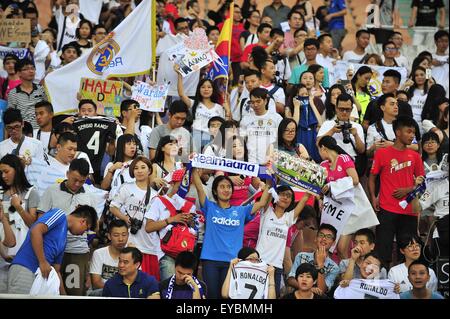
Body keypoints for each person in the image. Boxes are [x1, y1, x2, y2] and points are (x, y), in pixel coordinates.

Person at [191, 167, 271, 299]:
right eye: (222, 187)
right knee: (212, 296)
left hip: (233, 261)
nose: (226, 189)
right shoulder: (209, 207)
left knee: (228, 296)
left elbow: (262, 202)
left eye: (228, 186)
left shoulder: (241, 211)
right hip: (210, 260)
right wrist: (193, 168)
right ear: (215, 191)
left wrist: (269, 182)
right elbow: (199, 187)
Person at [369, 116, 426, 267]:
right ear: (398, 132)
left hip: (409, 211)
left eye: (414, 132)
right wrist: (374, 198)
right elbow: (372, 178)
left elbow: (423, 183)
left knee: (409, 253)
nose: (412, 135)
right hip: (386, 209)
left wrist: (408, 189)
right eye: (409, 132)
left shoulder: (415, 156)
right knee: (382, 251)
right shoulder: (382, 153)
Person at [7, 205, 97, 295]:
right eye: (86, 229)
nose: (82, 234)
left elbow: (56, 270)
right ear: (83, 221)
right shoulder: (59, 214)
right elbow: (35, 231)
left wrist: (64, 296)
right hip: (25, 267)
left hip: (39, 277)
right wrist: (42, 261)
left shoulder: (64, 239)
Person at [37, 158, 95, 296]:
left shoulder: (89, 196)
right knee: (51, 291)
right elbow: (40, 221)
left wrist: (87, 270)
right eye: (74, 179)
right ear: (67, 173)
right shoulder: (51, 191)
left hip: (77, 251)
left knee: (73, 293)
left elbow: (91, 230)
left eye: (81, 181)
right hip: (53, 249)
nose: (77, 184)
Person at [255, 184, 312, 297]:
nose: (285, 197)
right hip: (260, 263)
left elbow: (305, 197)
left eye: (289, 196)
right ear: (276, 195)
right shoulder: (267, 211)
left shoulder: (289, 217)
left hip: (276, 267)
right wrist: (272, 179)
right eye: (282, 194)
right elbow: (269, 189)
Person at [109, 156, 158, 278]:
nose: (139, 171)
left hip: (149, 243)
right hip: (130, 240)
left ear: (149, 170)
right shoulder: (126, 187)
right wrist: (125, 218)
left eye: (143, 167)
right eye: (136, 168)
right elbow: (113, 207)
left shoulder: (155, 194)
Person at [145, 168, 197, 281]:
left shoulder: (190, 205)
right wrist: (171, 219)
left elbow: (194, 231)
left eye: (187, 186)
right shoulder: (159, 201)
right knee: (169, 289)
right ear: (172, 183)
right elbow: (148, 227)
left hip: (185, 255)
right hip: (165, 254)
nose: (184, 190)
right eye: (180, 186)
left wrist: (191, 222)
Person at [175, 68, 229, 152]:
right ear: (199, 90)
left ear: (213, 89)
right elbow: (181, 94)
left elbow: (225, 124)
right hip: (197, 135)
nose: (206, 89)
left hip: (213, 137)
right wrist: (180, 75)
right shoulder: (194, 103)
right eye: (203, 87)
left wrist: (228, 110)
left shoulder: (219, 107)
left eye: (209, 87)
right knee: (195, 160)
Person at [0, 154, 39, 257]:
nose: (3, 176)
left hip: (24, 252)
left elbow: (33, 225)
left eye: (6, 172)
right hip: (3, 250)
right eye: (1, 172)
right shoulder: (1, 193)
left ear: (17, 170)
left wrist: (19, 207)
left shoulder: (31, 193)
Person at [288, 223, 340, 295]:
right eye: (321, 235)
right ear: (315, 238)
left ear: (333, 243)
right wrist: (309, 289)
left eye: (328, 237)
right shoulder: (301, 256)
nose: (324, 239)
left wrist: (321, 265)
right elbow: (290, 280)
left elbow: (322, 290)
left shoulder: (334, 268)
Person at [366, 94, 419, 158]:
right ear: (383, 107)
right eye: (392, 104)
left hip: (402, 163)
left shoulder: (405, 125)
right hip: (382, 163)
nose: (396, 107)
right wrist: (374, 147)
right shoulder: (373, 127)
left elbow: (416, 147)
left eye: (397, 104)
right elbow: (368, 154)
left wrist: (393, 145)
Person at [240, 88, 283, 164]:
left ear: (265, 101)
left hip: (271, 163)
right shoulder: (245, 120)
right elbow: (241, 141)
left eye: (258, 101)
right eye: (252, 102)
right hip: (252, 163)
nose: (255, 105)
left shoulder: (277, 118)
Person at [317, 93, 365, 160]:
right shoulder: (327, 124)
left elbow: (361, 150)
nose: (344, 112)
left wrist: (356, 135)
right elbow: (318, 143)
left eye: (347, 109)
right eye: (341, 109)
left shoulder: (357, 126)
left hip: (351, 162)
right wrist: (332, 131)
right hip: (333, 161)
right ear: (336, 108)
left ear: (351, 109)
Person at [89, 219, 129, 296]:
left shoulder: (131, 255)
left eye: (124, 235)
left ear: (128, 235)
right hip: (103, 293)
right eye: (116, 235)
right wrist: (117, 291)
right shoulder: (99, 253)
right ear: (109, 236)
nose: (120, 239)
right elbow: (96, 283)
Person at [7, 59, 47, 129]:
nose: (31, 71)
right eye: (26, 69)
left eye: (32, 68)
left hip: (41, 130)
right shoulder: (13, 93)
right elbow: (11, 118)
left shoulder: (41, 89)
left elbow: (48, 109)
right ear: (18, 73)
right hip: (24, 132)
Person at [290, 83, 322, 162]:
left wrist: (312, 104)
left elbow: (320, 123)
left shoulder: (311, 107)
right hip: (300, 136)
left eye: (306, 94)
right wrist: (297, 107)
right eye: (302, 94)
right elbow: (294, 125)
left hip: (312, 137)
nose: (305, 96)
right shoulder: (290, 110)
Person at [431, 30, 449, 98]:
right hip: (433, 90)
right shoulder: (430, 57)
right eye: (441, 41)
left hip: (447, 92)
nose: (444, 44)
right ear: (436, 42)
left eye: (446, 41)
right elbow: (427, 75)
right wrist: (429, 65)